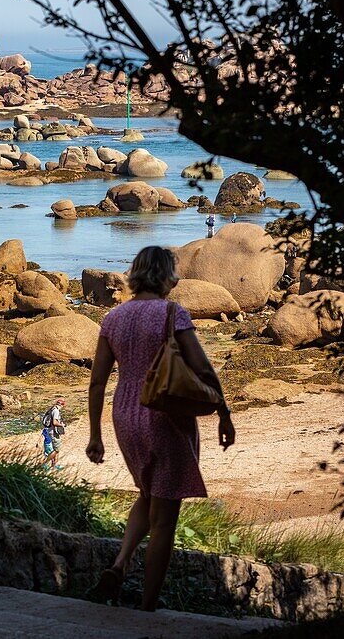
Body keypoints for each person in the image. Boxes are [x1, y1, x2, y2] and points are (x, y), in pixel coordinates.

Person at [85, 246, 235, 611]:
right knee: (166, 519)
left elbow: (97, 383)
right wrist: (223, 411)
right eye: (175, 273)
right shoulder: (172, 312)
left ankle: (120, 564)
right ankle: (148, 608)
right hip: (165, 412)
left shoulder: (114, 318)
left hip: (125, 415)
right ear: (166, 277)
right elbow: (201, 367)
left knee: (149, 493)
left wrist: (95, 435)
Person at [40, 397, 66, 470]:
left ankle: (54, 465)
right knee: (56, 450)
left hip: (50, 431)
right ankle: (45, 463)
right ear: (62, 405)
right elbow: (54, 422)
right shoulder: (56, 411)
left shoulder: (52, 409)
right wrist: (62, 425)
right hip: (53, 432)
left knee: (56, 449)